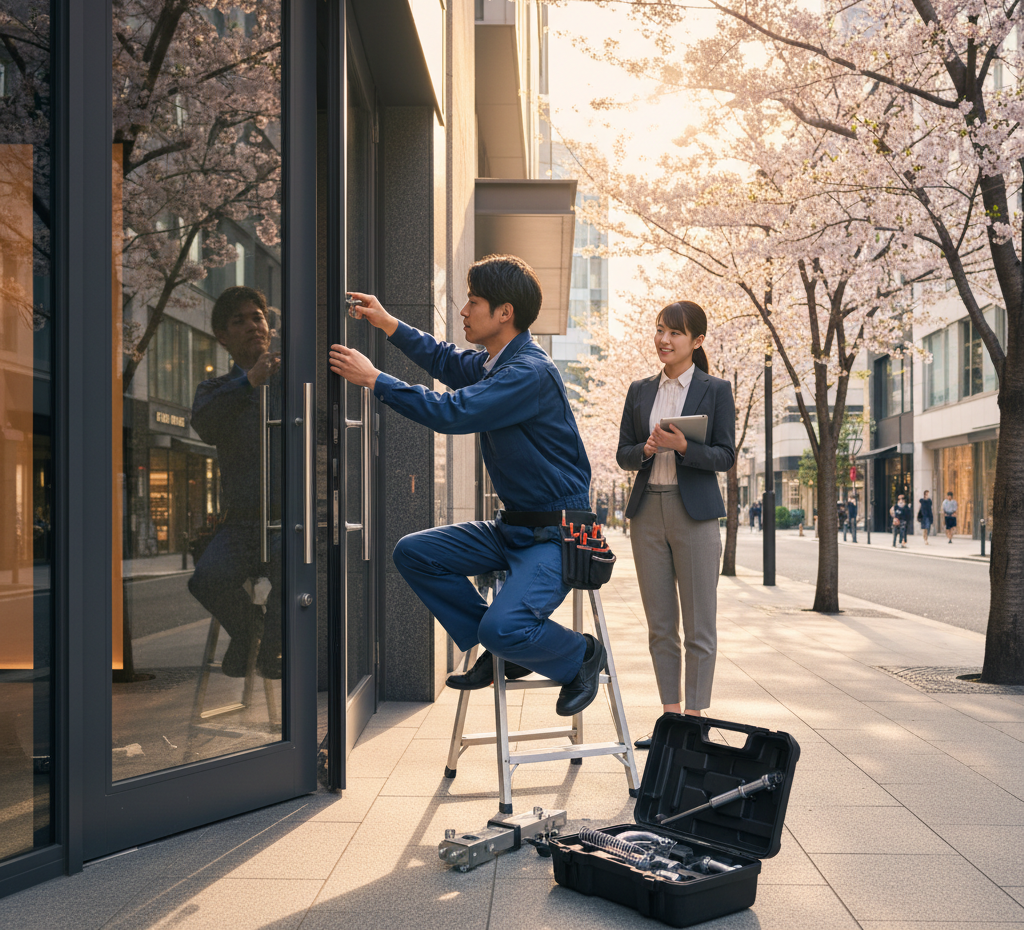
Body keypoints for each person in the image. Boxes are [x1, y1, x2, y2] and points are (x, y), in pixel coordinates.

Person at [328, 255, 605, 717]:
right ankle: (506, 646)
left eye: (473, 302)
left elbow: (450, 412)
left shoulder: (527, 373)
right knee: (415, 552)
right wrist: (387, 322)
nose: (463, 311)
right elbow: (443, 359)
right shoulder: (497, 365)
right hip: (512, 529)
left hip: (556, 536)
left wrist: (375, 379)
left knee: (503, 627)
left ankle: (580, 656)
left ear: (505, 313)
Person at [615, 301, 736, 748]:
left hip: (695, 515)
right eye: (660, 330)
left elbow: (725, 455)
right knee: (660, 623)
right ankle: (671, 721)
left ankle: (695, 720)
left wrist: (684, 446)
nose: (664, 340)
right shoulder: (639, 390)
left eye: (675, 333)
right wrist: (646, 450)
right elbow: (623, 454)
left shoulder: (715, 389)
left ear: (697, 341)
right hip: (647, 514)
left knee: (700, 624)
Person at [188, 286, 283, 678]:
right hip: (242, 521)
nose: (251, 325)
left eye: (257, 317)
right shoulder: (214, 390)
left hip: (288, 517)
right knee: (206, 579)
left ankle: (274, 647)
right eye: (238, 321)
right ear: (223, 338)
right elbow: (204, 424)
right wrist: (249, 382)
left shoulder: (292, 381)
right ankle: (249, 635)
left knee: (298, 572)